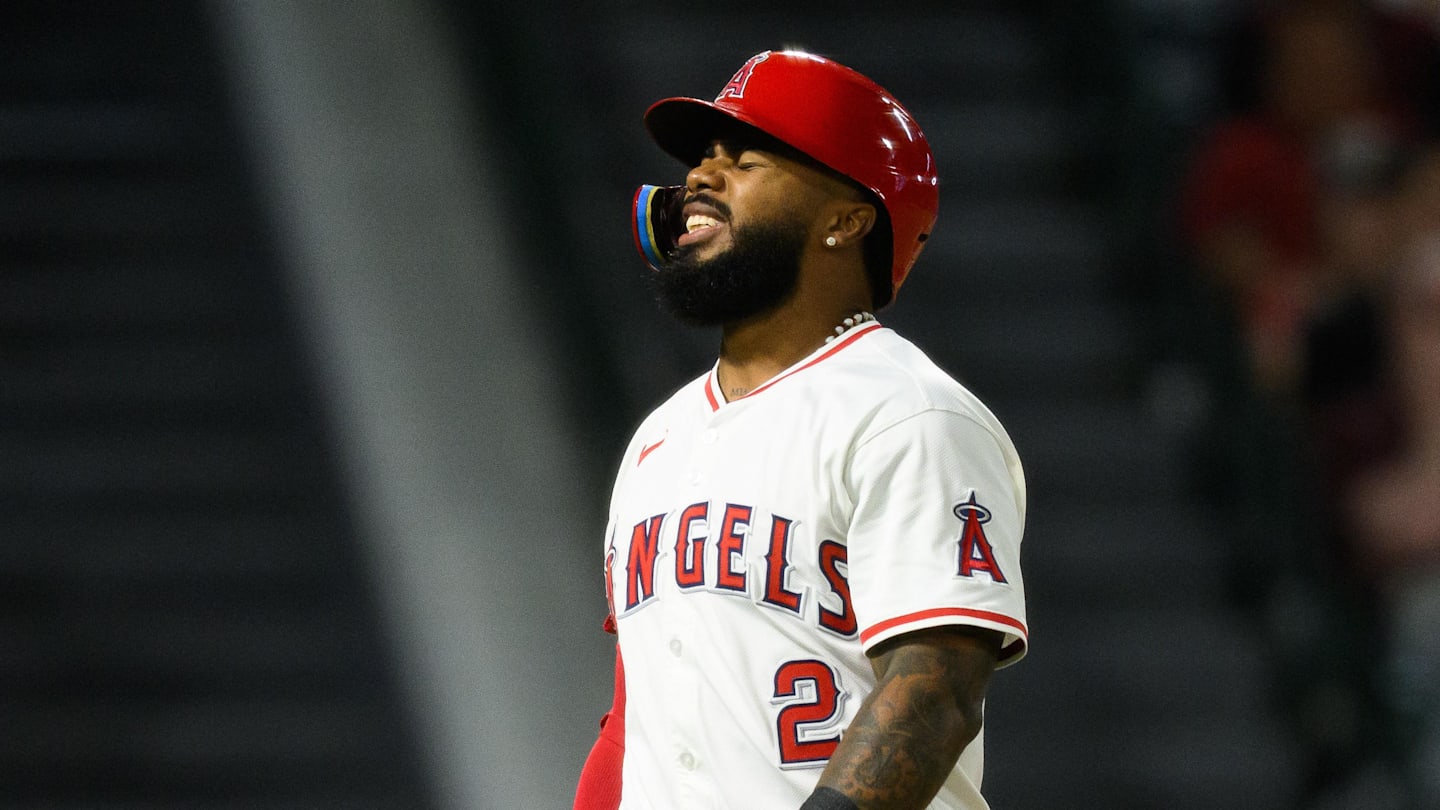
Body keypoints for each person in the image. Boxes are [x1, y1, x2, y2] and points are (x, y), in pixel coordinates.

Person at [573, 50, 1028, 810]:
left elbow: (935, 695)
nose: (699, 180)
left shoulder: (908, 414)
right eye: (702, 159)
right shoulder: (659, 438)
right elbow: (632, 722)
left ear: (847, 219)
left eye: (745, 158)